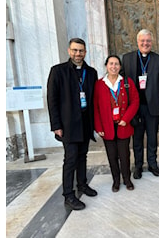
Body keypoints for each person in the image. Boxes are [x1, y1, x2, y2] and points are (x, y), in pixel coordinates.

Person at [47, 38, 98, 211]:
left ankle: (82, 184)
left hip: (85, 123)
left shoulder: (91, 73)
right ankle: (68, 194)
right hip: (68, 124)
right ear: (69, 51)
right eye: (75, 50)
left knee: (82, 155)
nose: (78, 54)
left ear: (85, 52)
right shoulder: (58, 71)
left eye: (81, 51)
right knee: (70, 159)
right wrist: (56, 125)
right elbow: (52, 100)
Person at [121, 29, 159, 179]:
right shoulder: (127, 58)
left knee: (152, 138)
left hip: (153, 106)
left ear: (152, 42)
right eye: (142, 41)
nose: (145, 43)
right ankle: (138, 166)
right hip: (134, 107)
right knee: (136, 138)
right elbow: (122, 82)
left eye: (148, 41)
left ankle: (152, 164)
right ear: (137, 42)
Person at [94, 55, 139, 192]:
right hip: (107, 126)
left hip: (123, 125)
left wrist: (126, 118)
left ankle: (127, 178)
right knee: (111, 155)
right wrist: (98, 127)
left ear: (120, 67)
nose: (114, 66)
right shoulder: (99, 84)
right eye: (111, 64)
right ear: (106, 66)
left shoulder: (127, 82)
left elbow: (135, 101)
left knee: (124, 155)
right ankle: (116, 180)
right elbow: (95, 107)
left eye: (116, 64)